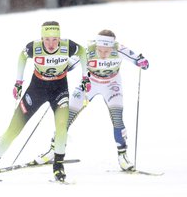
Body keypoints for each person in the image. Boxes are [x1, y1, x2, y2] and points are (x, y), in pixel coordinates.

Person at [0, 21, 89, 182]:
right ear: (42, 38)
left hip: (59, 90)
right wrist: (18, 82)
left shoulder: (68, 46)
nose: (51, 44)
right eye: (47, 39)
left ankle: (58, 166)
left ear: (59, 38)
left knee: (61, 127)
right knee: (13, 129)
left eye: (54, 39)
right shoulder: (34, 47)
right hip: (37, 89)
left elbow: (82, 52)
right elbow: (22, 56)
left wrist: (85, 77)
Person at [33, 29, 149, 171]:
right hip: (89, 83)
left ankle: (123, 156)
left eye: (106, 51)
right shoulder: (88, 50)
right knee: (65, 117)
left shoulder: (120, 49)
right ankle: (53, 150)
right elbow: (69, 64)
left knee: (117, 118)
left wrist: (142, 62)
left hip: (111, 85)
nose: (103, 54)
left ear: (112, 47)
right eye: (100, 50)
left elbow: (139, 59)